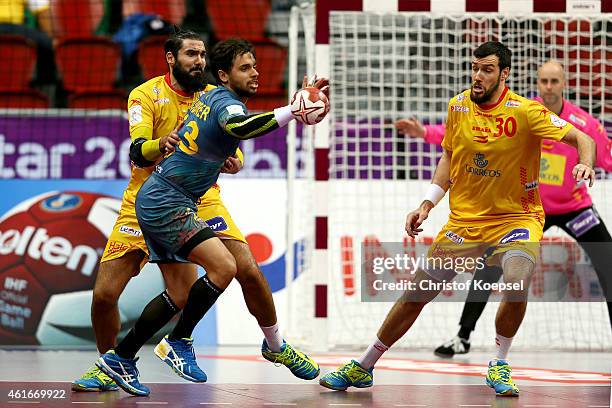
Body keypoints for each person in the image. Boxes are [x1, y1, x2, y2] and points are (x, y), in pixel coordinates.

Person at [319, 42, 595, 397]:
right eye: (475, 68)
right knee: (416, 295)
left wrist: (584, 162)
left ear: (504, 74)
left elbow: (582, 137)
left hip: (517, 219)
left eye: (487, 70)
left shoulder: (527, 112)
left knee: (516, 279)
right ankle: (364, 365)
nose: (478, 76)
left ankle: (499, 363)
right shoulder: (458, 105)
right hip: (465, 223)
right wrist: (427, 203)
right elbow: (450, 157)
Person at [72, 31, 319, 393]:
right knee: (105, 295)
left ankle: (276, 345)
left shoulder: (212, 95)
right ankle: (111, 363)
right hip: (152, 196)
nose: (198, 61)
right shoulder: (146, 94)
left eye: (203, 55)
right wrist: (161, 144)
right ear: (171, 59)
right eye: (191, 54)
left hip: (201, 199)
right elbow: (138, 151)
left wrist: (236, 160)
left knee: (245, 269)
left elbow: (234, 133)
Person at [396, 60, 612, 358]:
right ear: (538, 83)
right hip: (524, 210)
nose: (549, 87)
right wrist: (424, 133)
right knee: (489, 267)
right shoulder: (521, 112)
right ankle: (463, 336)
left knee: (608, 261)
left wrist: (585, 164)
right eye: (544, 81)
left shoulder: (583, 123)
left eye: (554, 81)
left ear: (565, 84)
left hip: (575, 208)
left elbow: (603, 155)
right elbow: (464, 137)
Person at [0, 0, 56, 85]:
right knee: (47, 42)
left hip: (15, 27)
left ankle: (44, 86)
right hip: (16, 29)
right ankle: (45, 85)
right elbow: (42, 11)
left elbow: (41, 10)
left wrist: (53, 40)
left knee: (47, 42)